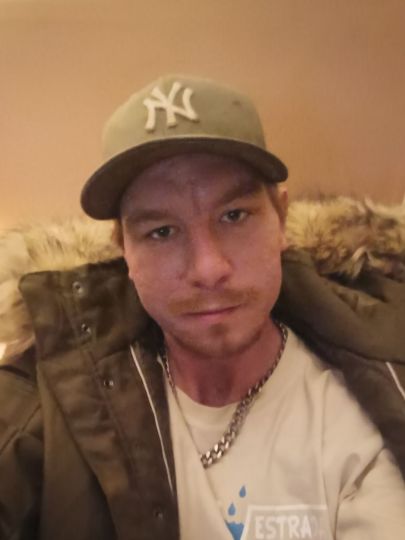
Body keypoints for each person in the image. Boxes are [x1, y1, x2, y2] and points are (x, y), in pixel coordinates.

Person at [1, 74, 405, 540]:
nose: (209, 269)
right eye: (161, 232)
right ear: (123, 250)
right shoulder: (43, 405)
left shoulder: (368, 403)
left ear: (281, 220)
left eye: (234, 216)